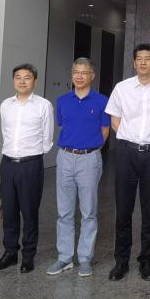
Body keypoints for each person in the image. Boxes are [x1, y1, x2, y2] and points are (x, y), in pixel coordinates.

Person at [105, 43, 150, 282]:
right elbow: (114, 119)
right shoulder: (122, 87)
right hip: (126, 152)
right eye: (139, 58)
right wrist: (129, 137)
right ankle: (121, 261)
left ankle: (146, 261)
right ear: (134, 62)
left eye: (148, 58)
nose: (143, 62)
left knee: (149, 210)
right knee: (123, 210)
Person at [47, 57, 110, 278]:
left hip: (89, 159)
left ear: (92, 75)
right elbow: (63, 125)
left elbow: (105, 130)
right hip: (65, 157)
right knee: (64, 211)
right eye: (76, 72)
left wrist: (90, 149)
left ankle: (84, 258)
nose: (79, 76)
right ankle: (65, 257)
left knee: (88, 211)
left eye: (84, 72)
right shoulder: (62, 100)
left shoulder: (102, 101)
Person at [0, 63, 54, 274]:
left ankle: (28, 255)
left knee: (29, 211)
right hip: (8, 163)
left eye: (27, 77)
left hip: (30, 164)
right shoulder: (5, 105)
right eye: (18, 77)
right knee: (9, 211)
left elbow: (47, 139)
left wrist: (32, 155)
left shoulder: (43, 105)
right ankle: (10, 253)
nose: (22, 81)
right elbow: (5, 133)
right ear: (13, 80)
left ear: (34, 80)